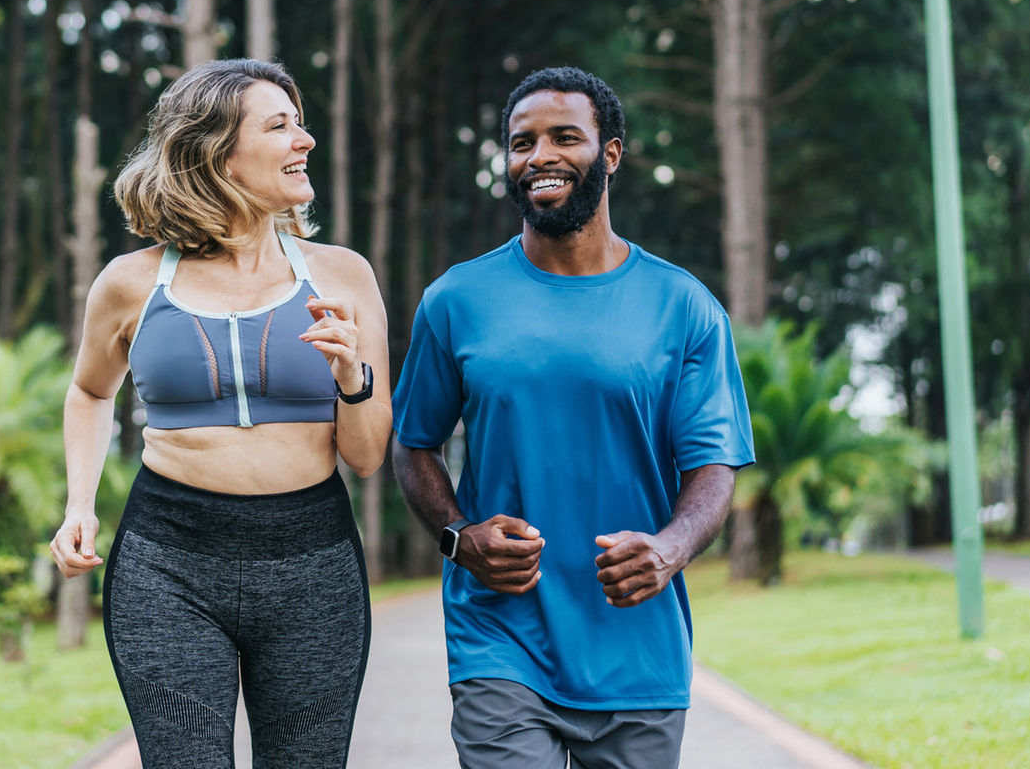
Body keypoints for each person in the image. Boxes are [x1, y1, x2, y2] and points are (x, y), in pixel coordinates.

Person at [391, 66, 755, 769]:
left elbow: (712, 466)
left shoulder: (685, 308)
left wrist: (670, 549)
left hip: (637, 647)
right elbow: (414, 445)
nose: (540, 157)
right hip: (499, 638)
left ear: (610, 153)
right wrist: (459, 538)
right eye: (522, 142)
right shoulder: (455, 300)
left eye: (565, 136)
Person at [48, 58, 391, 769]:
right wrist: (79, 503)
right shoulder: (132, 282)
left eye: (301, 122)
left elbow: (365, 456)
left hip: (312, 564)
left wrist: (350, 377)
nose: (306, 140)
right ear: (216, 152)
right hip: (167, 562)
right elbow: (88, 392)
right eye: (280, 125)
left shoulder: (343, 276)